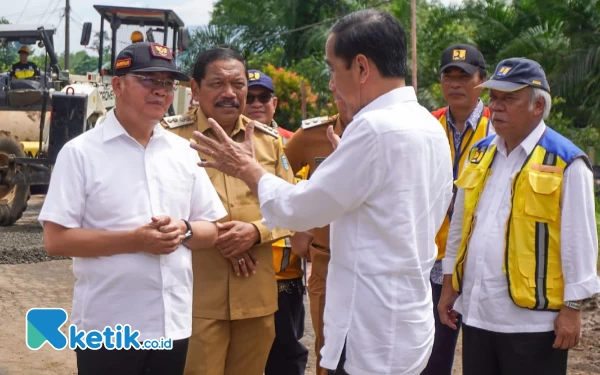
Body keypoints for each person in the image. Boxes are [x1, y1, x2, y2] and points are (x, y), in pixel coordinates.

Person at [190, 10, 454, 375]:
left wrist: (247, 169)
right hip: (405, 318)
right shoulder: (428, 125)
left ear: (360, 67)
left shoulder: (375, 130)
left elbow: (300, 211)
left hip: (371, 327)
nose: (331, 83)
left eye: (333, 69)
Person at [38, 42, 227, 375]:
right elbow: (56, 240)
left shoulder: (183, 152)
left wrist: (183, 230)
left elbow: (212, 228)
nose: (160, 91)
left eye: (167, 83)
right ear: (117, 85)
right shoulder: (81, 153)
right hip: (108, 327)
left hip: (172, 325)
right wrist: (137, 241)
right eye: (147, 80)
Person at [438, 58, 600, 375]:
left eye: (508, 98)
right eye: (494, 97)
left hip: (534, 324)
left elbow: (579, 241)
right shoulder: (480, 153)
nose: (495, 107)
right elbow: (460, 225)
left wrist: (572, 308)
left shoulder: (565, 160)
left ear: (538, 106)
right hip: (478, 314)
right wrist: (448, 287)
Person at [161, 48, 295, 375]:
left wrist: (255, 232)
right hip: (196, 298)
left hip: (256, 299)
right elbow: (154, 208)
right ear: (194, 89)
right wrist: (220, 236)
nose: (229, 93)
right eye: (217, 84)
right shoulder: (169, 139)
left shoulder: (268, 141)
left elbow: (293, 206)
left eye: (238, 84)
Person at [422, 43, 491, 375]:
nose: (455, 84)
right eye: (447, 76)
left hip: (481, 259)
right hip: (435, 256)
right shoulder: (427, 124)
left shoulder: (499, 127)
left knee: (483, 354)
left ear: (481, 80)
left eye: (463, 77)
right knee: (433, 355)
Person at [241, 68, 309, 375]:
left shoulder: (293, 143)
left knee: (286, 352)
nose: (257, 103)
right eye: (250, 97)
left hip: (284, 272)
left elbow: (303, 199)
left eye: (263, 97)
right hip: (242, 267)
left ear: (275, 103)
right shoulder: (220, 142)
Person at [282, 91, 351, 375]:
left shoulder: (386, 134)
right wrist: (297, 227)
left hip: (376, 263)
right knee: (328, 351)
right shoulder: (313, 134)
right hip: (327, 261)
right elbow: (280, 176)